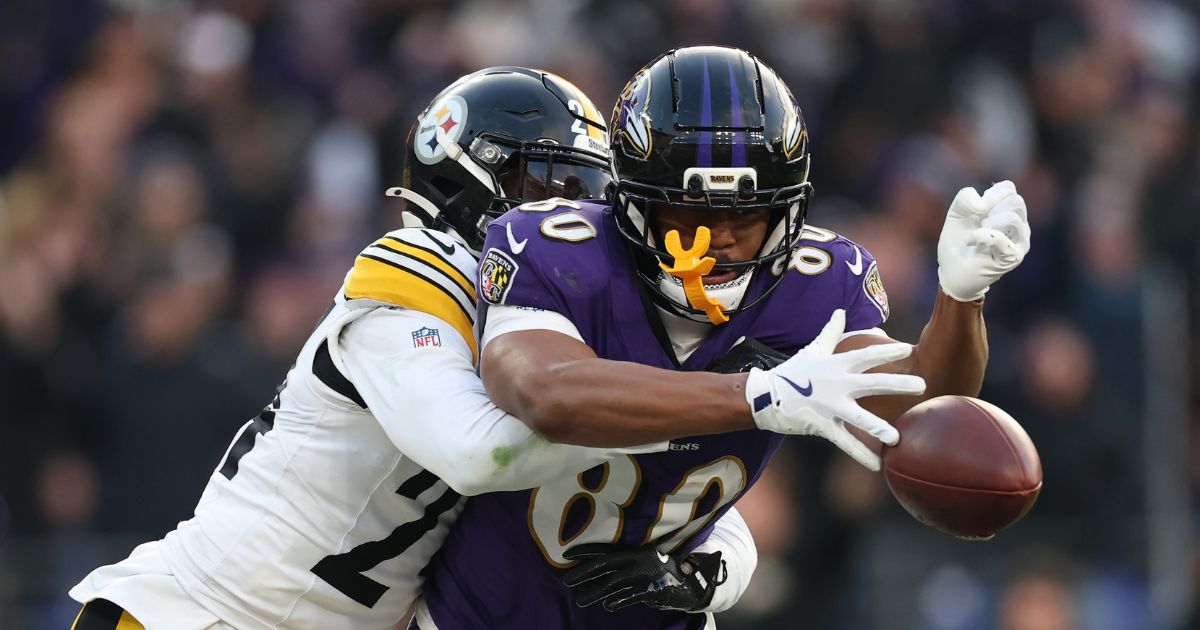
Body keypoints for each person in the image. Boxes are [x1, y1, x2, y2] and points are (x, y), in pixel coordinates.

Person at [66, 67, 763, 630]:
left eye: (585, 195)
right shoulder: (413, 270)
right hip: (202, 613)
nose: (564, 217)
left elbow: (705, 500)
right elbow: (476, 451)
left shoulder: (554, 318)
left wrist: (705, 577)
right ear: (461, 181)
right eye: (542, 188)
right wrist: (692, 408)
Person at [415, 45, 1030, 629]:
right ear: (631, 203)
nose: (721, 240)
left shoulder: (815, 284)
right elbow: (546, 393)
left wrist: (960, 300)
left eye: (747, 213)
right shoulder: (557, 250)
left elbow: (921, 413)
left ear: (788, 210)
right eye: (688, 212)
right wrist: (761, 397)